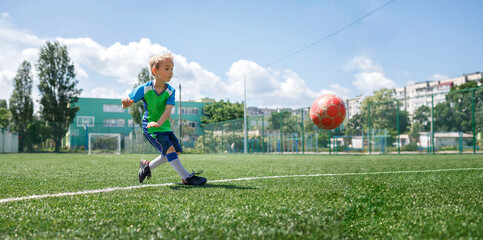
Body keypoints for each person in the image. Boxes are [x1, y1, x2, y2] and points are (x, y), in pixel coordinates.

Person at [121, 53, 207, 185]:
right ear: (155, 71)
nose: (171, 72)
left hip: (163, 126)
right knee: (170, 151)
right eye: (167, 69)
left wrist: (159, 123)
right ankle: (187, 177)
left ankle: (146, 167)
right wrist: (126, 104)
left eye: (172, 69)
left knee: (175, 151)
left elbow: (168, 111)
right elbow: (127, 101)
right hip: (151, 128)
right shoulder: (145, 89)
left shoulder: (171, 91)